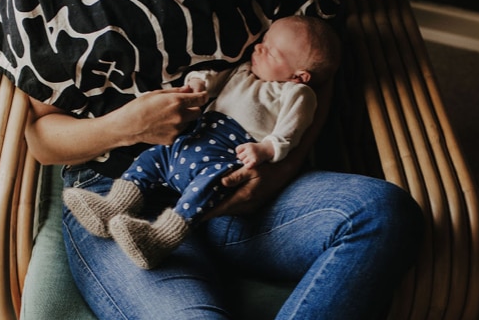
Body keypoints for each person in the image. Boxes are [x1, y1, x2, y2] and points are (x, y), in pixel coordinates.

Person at [0, 0, 423, 319]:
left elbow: (315, 73)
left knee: (383, 214)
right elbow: (42, 137)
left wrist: (278, 171)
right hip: (124, 197)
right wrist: (129, 125)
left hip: (243, 174)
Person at [63, 15, 341, 269]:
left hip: (227, 155)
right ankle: (113, 206)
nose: (258, 47)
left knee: (206, 189)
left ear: (299, 75)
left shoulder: (297, 94)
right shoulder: (244, 71)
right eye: (263, 40)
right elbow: (213, 77)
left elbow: (289, 132)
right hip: (195, 138)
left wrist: (266, 150)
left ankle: (159, 239)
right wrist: (198, 84)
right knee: (153, 157)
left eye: (270, 51)